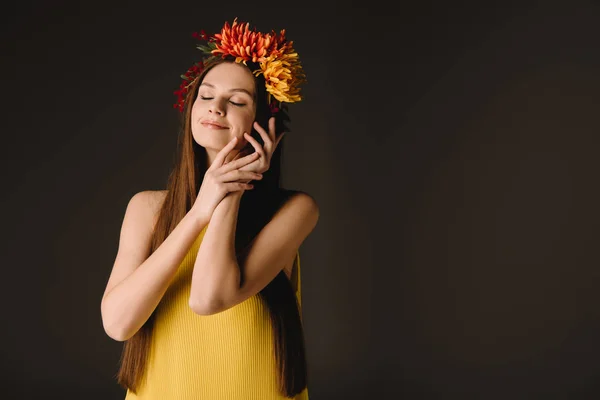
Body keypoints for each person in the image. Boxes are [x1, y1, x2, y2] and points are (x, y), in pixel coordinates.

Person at [100, 17, 318, 399]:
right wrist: (199, 210)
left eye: (237, 101)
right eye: (206, 95)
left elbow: (207, 298)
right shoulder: (146, 208)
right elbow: (118, 325)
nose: (216, 107)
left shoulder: (295, 210)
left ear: (263, 124)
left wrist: (230, 190)